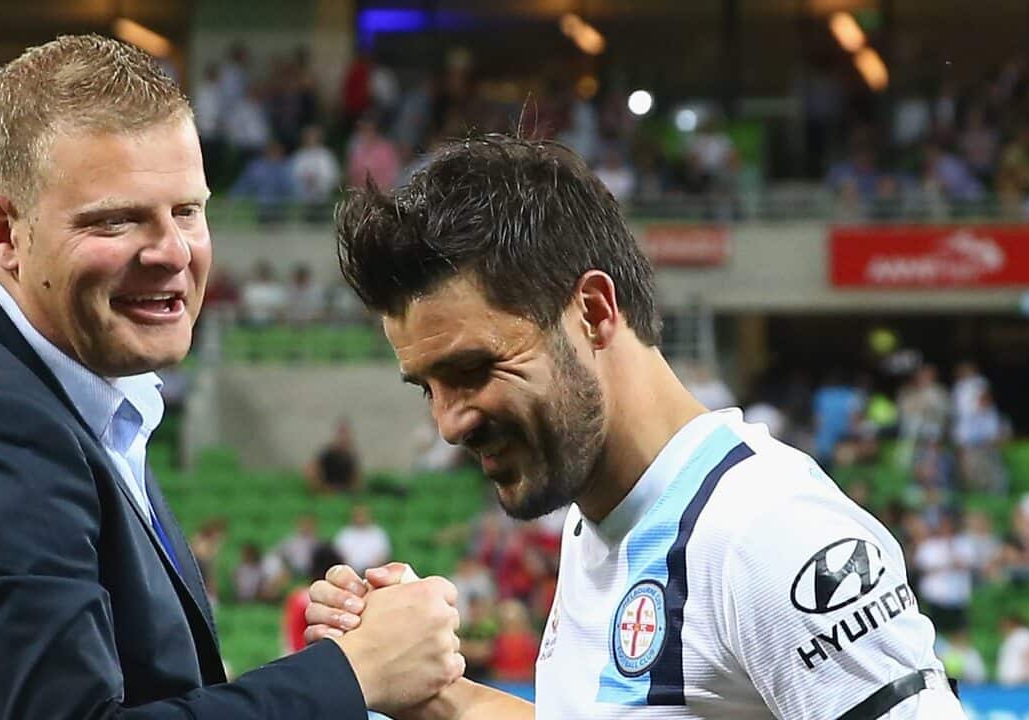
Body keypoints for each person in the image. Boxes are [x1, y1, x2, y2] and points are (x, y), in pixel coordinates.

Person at [0, 35, 463, 720]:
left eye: (188, 211)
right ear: (3, 235)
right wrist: (353, 674)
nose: (172, 252)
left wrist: (344, 661)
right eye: (117, 220)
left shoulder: (50, 391)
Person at [306, 134, 964, 718]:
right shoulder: (601, 517)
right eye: (429, 387)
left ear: (593, 312)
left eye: (474, 368)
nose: (449, 423)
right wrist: (436, 695)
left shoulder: (767, 532)